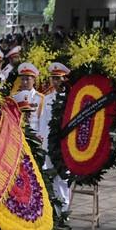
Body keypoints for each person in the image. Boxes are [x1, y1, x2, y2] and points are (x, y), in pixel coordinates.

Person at [39, 62, 72, 211]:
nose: (56, 82)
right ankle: (55, 210)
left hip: (65, 144)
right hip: (49, 143)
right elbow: (42, 123)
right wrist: (42, 144)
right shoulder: (46, 99)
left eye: (59, 78)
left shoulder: (71, 99)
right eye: (53, 78)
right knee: (51, 176)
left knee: (64, 178)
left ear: (65, 79)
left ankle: (64, 209)